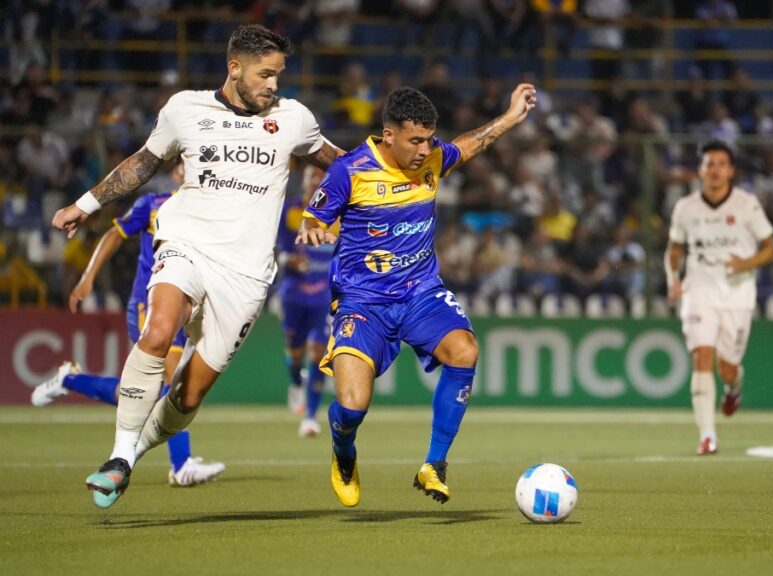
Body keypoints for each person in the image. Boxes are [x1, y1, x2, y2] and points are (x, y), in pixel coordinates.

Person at [50, 24, 342, 509]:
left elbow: (343, 164)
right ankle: (119, 455)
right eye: (265, 74)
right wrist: (86, 203)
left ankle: (133, 455)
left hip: (246, 274)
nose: (274, 85)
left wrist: (342, 206)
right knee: (159, 331)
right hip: (185, 243)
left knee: (187, 397)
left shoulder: (294, 119)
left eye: (278, 76)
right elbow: (143, 163)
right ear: (235, 68)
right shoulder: (184, 109)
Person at [297, 83, 537, 507]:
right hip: (363, 302)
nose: (426, 150)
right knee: (352, 407)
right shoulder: (349, 171)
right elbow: (312, 219)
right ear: (388, 135)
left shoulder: (432, 159)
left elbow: (467, 146)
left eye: (429, 139)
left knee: (464, 351)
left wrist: (510, 116)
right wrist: (313, 228)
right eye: (415, 141)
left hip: (420, 292)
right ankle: (343, 451)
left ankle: (434, 464)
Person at [32, 163, 226, 487]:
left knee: (137, 395)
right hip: (150, 304)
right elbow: (114, 234)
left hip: (188, 302)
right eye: (186, 164)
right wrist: (88, 277)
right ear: (177, 172)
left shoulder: (211, 211)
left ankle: (72, 380)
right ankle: (182, 465)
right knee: (171, 380)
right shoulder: (153, 204)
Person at [664, 141, 773, 455]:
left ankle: (732, 387)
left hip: (738, 294)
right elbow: (675, 250)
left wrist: (746, 263)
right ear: (700, 170)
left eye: (720, 164)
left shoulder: (747, 204)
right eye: (708, 164)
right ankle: (707, 435)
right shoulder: (685, 208)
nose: (714, 170)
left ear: (731, 170)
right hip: (698, 291)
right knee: (701, 356)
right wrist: (673, 279)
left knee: (728, 367)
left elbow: (771, 248)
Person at [278, 164, 334, 437]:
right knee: (295, 349)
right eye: (312, 176)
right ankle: (295, 382)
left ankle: (310, 416)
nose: (316, 181)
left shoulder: (337, 212)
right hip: (293, 291)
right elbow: (276, 251)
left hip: (323, 293)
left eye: (321, 177)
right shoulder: (290, 211)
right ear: (303, 180)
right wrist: (290, 260)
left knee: (319, 352)